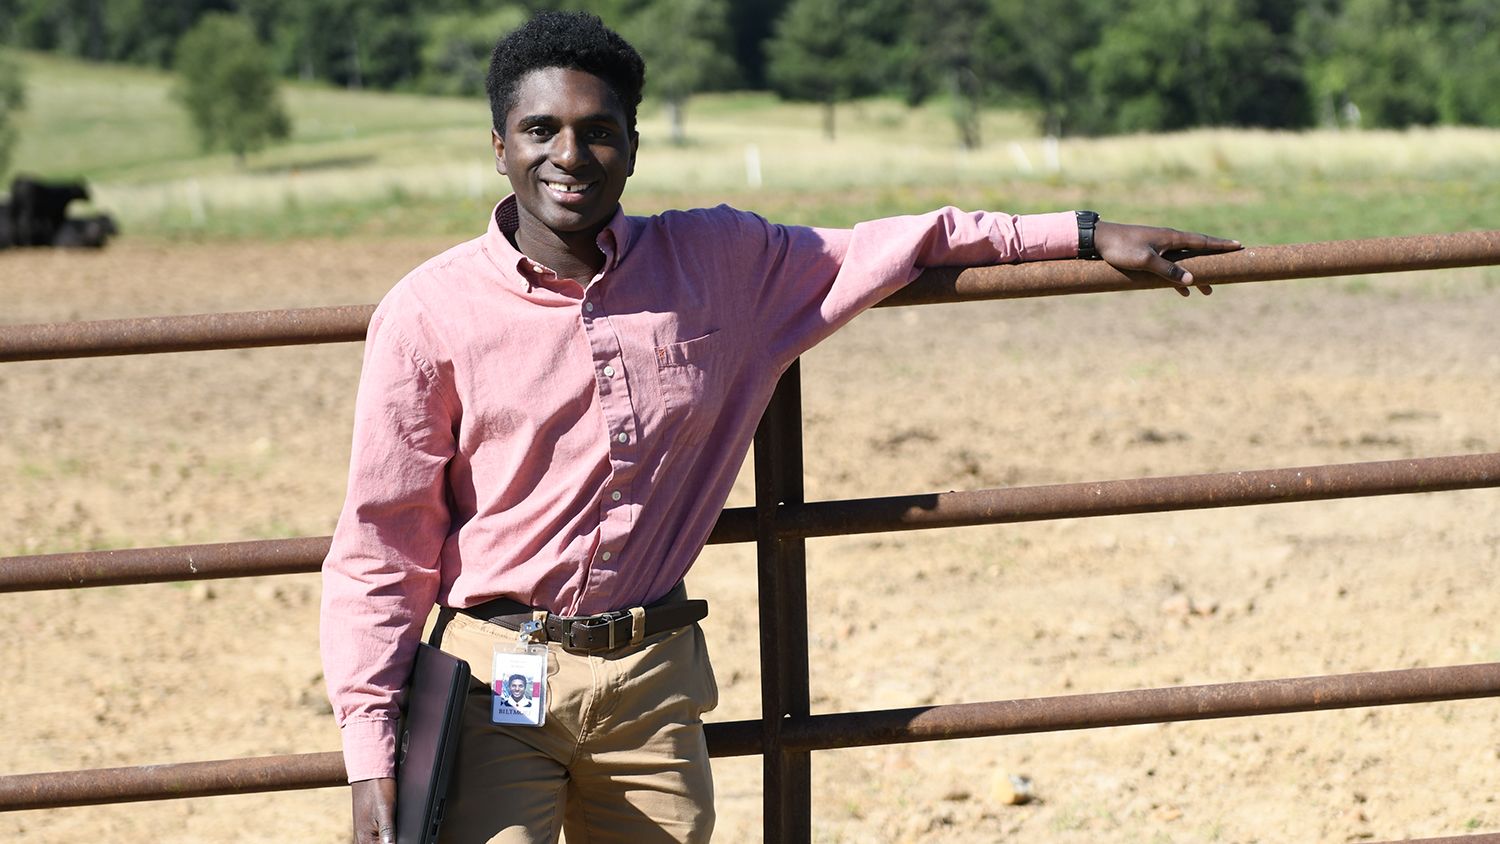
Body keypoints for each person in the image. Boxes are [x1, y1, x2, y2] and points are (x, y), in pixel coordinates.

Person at [319, 10, 1240, 844]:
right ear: (498, 145)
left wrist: (1082, 234)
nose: (571, 154)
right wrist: (370, 759)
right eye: (541, 131)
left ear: (633, 148)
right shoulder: (428, 315)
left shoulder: (723, 263)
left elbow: (906, 241)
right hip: (499, 681)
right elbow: (381, 547)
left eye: (599, 131)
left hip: (651, 680)